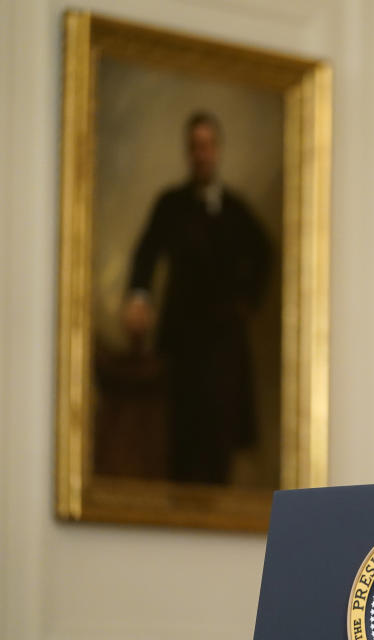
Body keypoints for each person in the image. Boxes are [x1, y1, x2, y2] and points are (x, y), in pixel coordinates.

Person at [123, 111, 271, 484]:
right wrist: (139, 297)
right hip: (181, 341)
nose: (201, 154)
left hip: (223, 347)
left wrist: (246, 301)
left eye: (207, 146)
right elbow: (146, 253)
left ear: (217, 150)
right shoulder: (170, 204)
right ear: (188, 152)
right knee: (179, 437)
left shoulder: (237, 211)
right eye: (195, 147)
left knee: (218, 440)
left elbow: (265, 253)